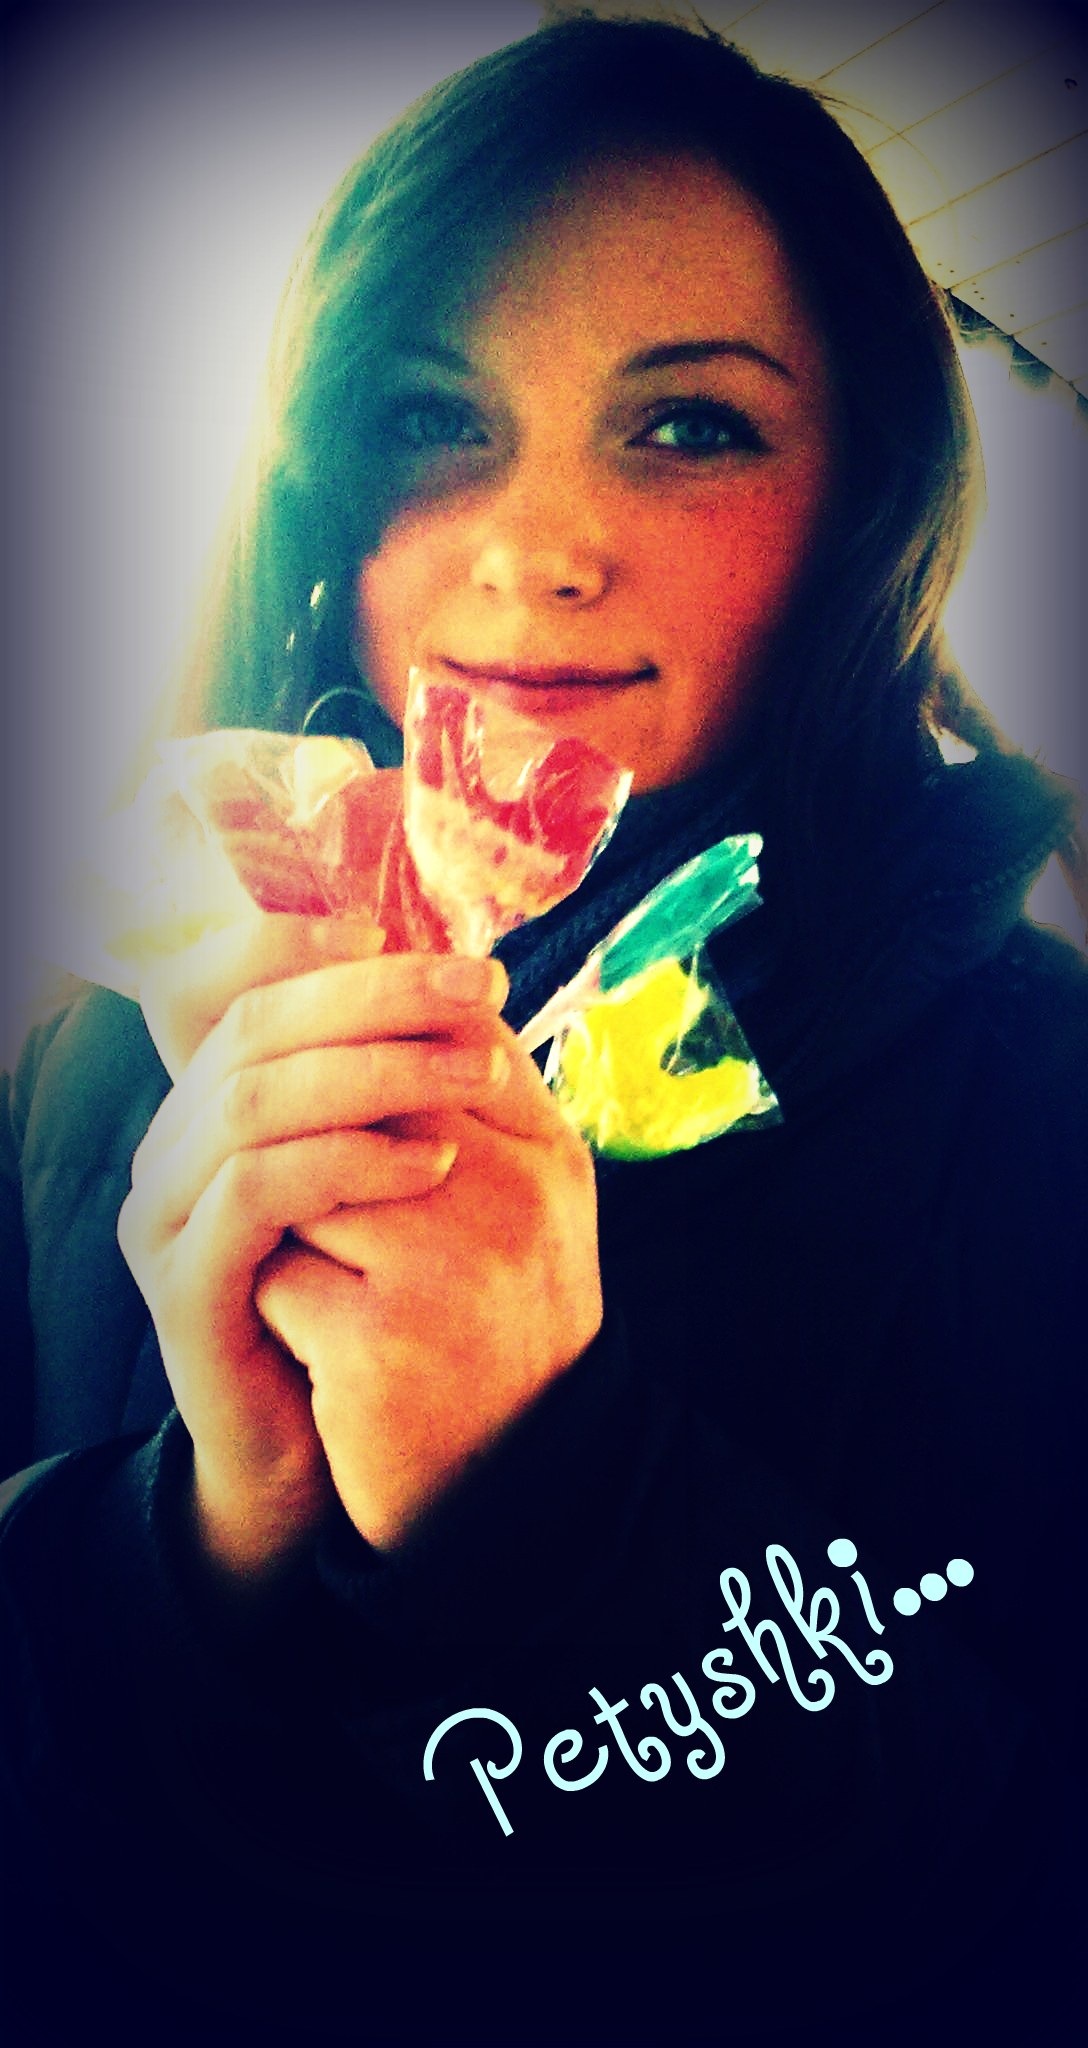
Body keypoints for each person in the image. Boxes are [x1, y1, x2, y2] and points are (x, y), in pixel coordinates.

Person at [1, 15, 1084, 2044]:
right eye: (437, 419)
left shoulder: (1050, 1102)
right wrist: (201, 1539)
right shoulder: (85, 1070)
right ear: (321, 492)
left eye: (687, 427)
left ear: (862, 504)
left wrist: (555, 1504)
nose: (537, 549)